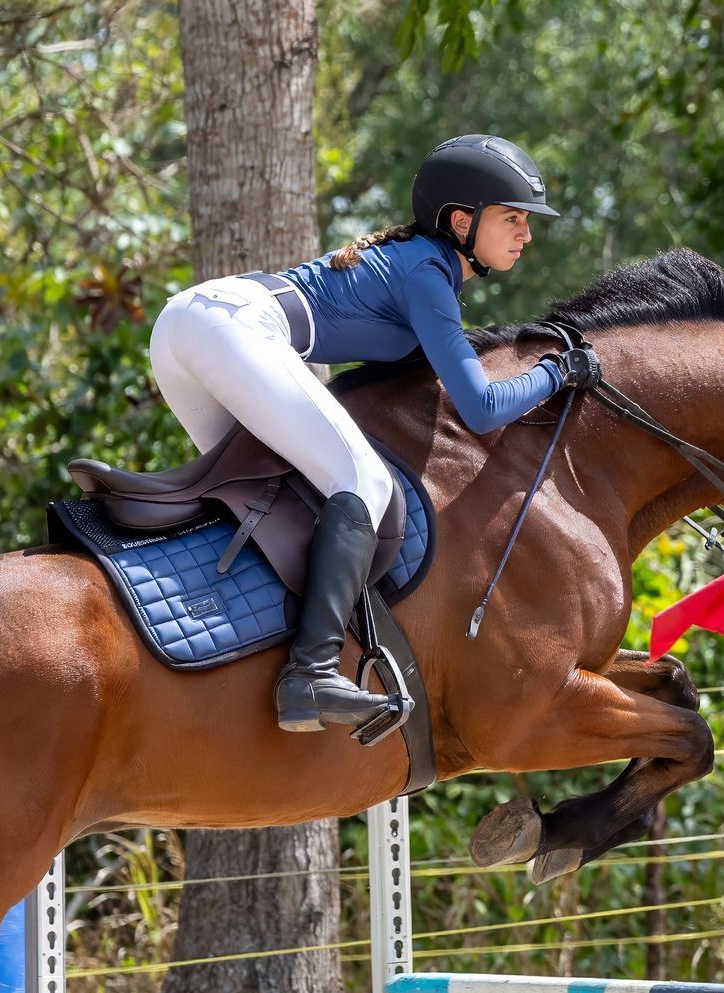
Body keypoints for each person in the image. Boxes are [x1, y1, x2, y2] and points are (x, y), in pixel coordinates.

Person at [148, 133, 603, 733]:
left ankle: (231, 645)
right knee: (363, 479)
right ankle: (310, 674)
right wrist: (557, 372)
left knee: (274, 494)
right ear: (461, 221)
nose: (526, 234)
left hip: (186, 330)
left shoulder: (420, 266)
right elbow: (482, 407)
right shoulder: (427, 273)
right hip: (229, 327)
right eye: (512, 218)